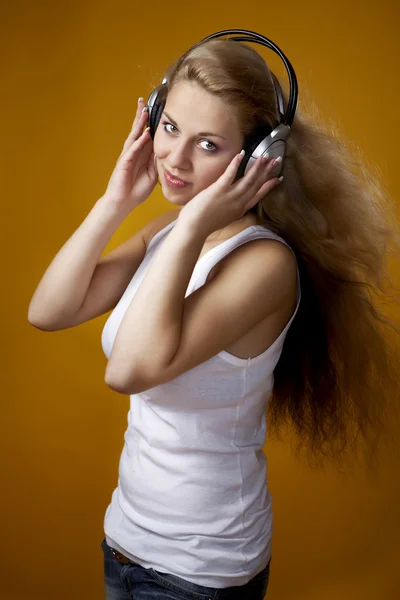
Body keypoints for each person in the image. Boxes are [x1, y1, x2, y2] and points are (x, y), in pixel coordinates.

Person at [28, 35, 400, 600]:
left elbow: (127, 370)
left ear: (256, 159)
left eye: (207, 144)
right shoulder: (169, 233)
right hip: (127, 541)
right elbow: (49, 310)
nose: (174, 159)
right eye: (170, 127)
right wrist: (117, 202)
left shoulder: (263, 265)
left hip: (200, 570)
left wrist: (197, 223)